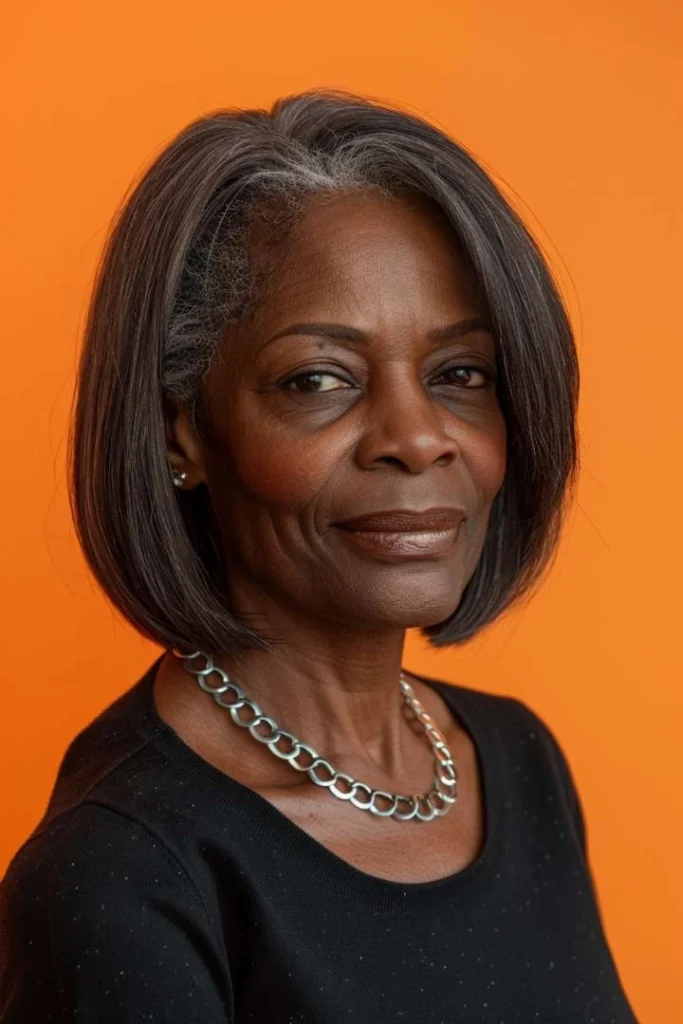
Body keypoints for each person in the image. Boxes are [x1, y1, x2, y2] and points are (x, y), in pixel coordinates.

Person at [0, 87, 639, 1022]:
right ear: (181, 432)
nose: (418, 439)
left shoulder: (515, 761)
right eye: (319, 380)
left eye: (460, 374)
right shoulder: (121, 875)